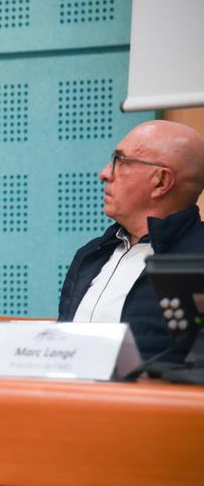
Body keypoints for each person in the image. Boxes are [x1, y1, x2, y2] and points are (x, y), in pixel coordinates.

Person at [59, 120, 204, 362]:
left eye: (121, 161)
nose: (104, 173)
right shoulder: (91, 254)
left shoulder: (197, 259)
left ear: (160, 181)